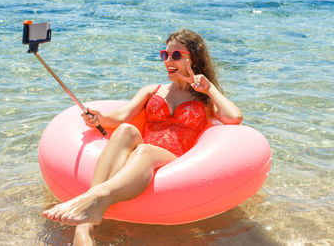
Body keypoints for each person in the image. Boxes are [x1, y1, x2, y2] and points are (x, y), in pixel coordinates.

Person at [43, 29, 243, 245]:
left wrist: (209, 88)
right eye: (164, 55)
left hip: (175, 163)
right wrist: (99, 119)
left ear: (193, 58)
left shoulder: (205, 99)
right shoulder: (153, 90)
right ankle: (84, 227)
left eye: (176, 55)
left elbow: (234, 117)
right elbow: (122, 117)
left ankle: (91, 200)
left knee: (144, 150)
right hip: (141, 158)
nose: (168, 60)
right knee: (126, 131)